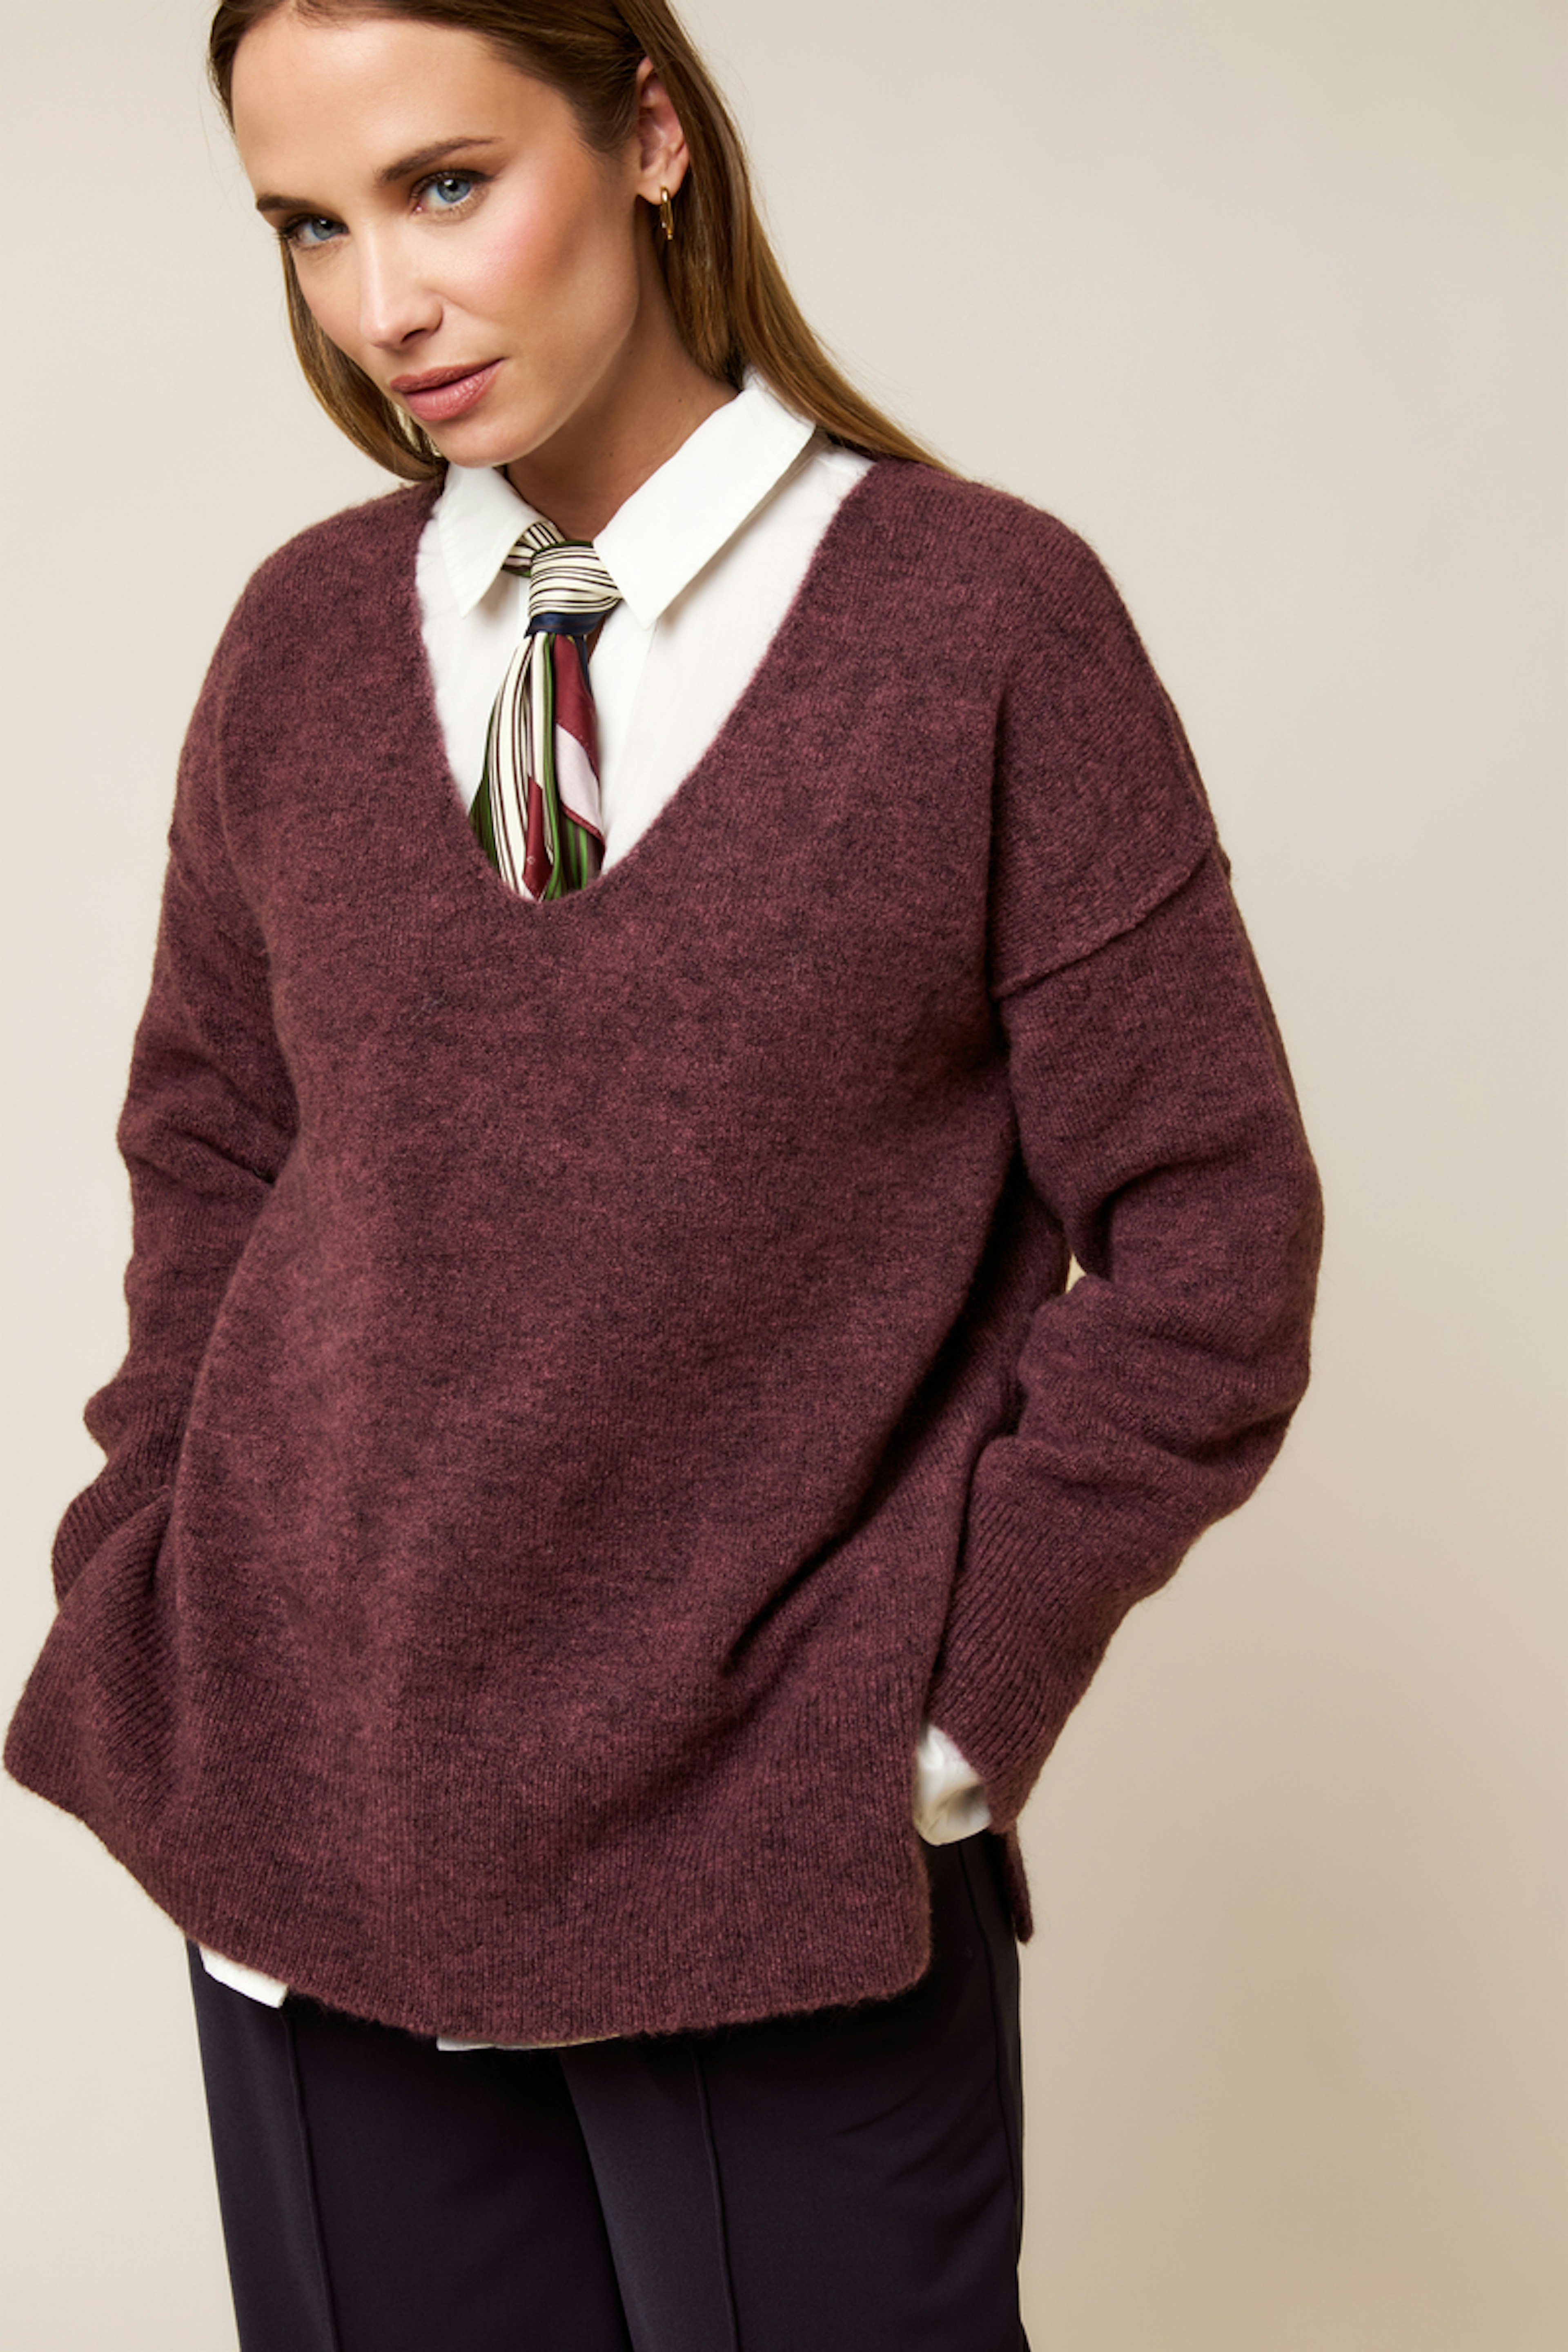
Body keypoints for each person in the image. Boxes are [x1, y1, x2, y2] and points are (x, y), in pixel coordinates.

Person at [3, 1, 1323, 2345]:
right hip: (307, 1830)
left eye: (444, 185)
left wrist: (934, 1720)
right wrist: (150, 1567)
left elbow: (1215, 1236)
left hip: (774, 1859)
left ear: (647, 133)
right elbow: (213, 1150)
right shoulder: (302, 642)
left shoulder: (982, 625)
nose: (384, 302)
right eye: (308, 225)